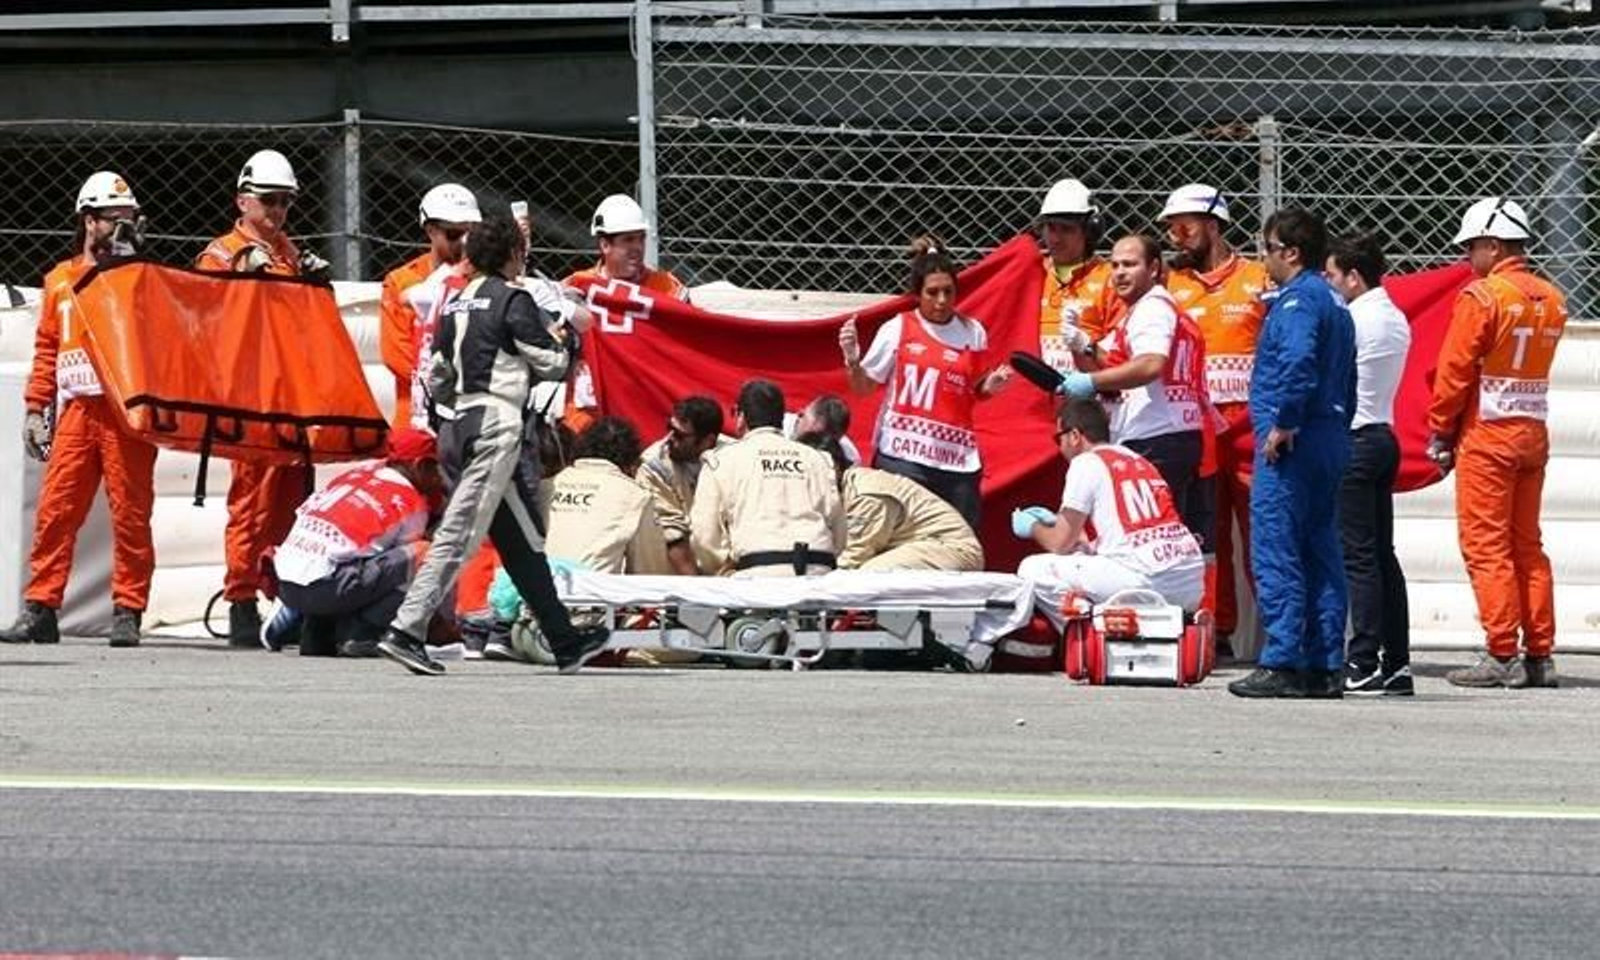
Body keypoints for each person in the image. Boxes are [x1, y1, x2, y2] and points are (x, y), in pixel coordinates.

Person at [374, 213, 609, 676]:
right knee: (460, 531)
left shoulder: (453, 303)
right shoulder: (514, 300)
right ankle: (406, 629)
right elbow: (553, 362)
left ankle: (564, 641)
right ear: (511, 254)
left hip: (457, 425)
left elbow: (436, 379)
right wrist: (564, 334)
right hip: (496, 426)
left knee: (521, 542)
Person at [0, 172, 158, 648]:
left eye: (130, 219)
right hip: (76, 413)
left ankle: (128, 610)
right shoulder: (60, 281)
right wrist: (35, 408)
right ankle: (41, 609)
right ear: (89, 221)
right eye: (116, 219)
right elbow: (48, 348)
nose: (123, 227)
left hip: (126, 413)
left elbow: (157, 333)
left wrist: (134, 265)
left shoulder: (140, 279)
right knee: (56, 512)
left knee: (131, 514)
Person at [1431, 198, 1567, 690]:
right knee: (1528, 544)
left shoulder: (1482, 297)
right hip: (1532, 432)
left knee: (1487, 546)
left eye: (1471, 248)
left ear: (1493, 244)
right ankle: (1540, 655)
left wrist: (1440, 427)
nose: (1468, 258)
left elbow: (1454, 371)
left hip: (1487, 437)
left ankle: (1501, 651)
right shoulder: (1552, 296)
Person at [195, 148, 320, 648]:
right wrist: (246, 277)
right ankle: (242, 601)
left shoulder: (291, 255)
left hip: (292, 396)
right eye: (269, 201)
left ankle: (293, 599)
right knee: (249, 504)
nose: (277, 212)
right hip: (247, 397)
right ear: (242, 201)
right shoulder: (220, 254)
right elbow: (208, 321)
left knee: (296, 503)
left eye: (286, 203)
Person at [1228, 208, 1355, 700]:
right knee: (1322, 549)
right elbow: (1348, 373)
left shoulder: (1298, 302)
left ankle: (1282, 659)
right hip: (1330, 435)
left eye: (1270, 249)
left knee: (1278, 548)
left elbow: (1299, 362)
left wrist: (1285, 421)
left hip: (1295, 441)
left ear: (1292, 252)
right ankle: (1325, 664)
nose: (1265, 258)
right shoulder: (1337, 302)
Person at [1160, 183, 1271, 655]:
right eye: (1169, 228)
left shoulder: (1260, 278)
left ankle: (1277, 632)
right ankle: (1217, 630)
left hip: (1250, 426)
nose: (1175, 236)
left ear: (1213, 223)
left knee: (1259, 528)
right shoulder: (1169, 284)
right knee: (1203, 532)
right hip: (1195, 426)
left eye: (1183, 226)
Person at [838, 236, 1013, 530]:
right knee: (895, 537)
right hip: (902, 456)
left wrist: (990, 387)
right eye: (932, 292)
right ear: (918, 293)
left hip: (957, 462)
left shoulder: (973, 333)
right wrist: (852, 360)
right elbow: (863, 387)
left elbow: (973, 391)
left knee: (959, 542)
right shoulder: (898, 328)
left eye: (948, 291)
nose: (941, 301)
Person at [1059, 234, 1210, 551]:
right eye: (1114, 265)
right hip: (1172, 434)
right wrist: (1081, 344)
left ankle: (1155, 599)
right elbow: (1109, 363)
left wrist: (1091, 384)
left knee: (1146, 539)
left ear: (1154, 268)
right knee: (1164, 536)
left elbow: (1150, 364)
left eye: (1130, 264)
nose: (1119, 273)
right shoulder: (1150, 309)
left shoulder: (1152, 308)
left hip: (1155, 437)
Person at [1013, 398, 1204, 630]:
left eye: (1059, 438)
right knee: (1084, 554)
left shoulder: (1085, 462)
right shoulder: (1138, 459)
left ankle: (1089, 628)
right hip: (1190, 583)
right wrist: (1071, 534)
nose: (1060, 446)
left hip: (1145, 581)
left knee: (1032, 568)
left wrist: (1032, 527)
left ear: (1074, 435)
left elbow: (1059, 543)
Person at [1324, 231, 1413, 696]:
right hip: (1384, 434)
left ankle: (1361, 663)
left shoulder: (1352, 318)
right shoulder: (1394, 315)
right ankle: (1397, 664)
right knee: (1383, 557)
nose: (1329, 283)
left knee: (1357, 558)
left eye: (1333, 275)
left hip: (1355, 439)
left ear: (1354, 278)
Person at [271, 427, 445, 658]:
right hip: (326, 588)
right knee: (426, 555)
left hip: (285, 583)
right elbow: (400, 575)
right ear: (421, 466)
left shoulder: (353, 476)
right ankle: (363, 632)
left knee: (351, 556)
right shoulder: (410, 503)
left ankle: (318, 629)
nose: (440, 479)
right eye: (437, 469)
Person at [690, 379, 846, 577]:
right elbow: (839, 531)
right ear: (780, 418)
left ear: (740, 416)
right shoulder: (817, 459)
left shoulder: (721, 461)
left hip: (755, 573)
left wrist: (723, 569)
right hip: (818, 570)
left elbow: (704, 537)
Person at [562, 194, 691, 431]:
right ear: (604, 244)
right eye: (628, 240)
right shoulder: (576, 287)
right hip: (588, 414)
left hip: (648, 408)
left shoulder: (667, 288)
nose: (637, 248)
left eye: (641, 239)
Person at [379, 183, 481, 429]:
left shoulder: (484, 279)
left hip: (470, 411)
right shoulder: (401, 281)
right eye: (454, 234)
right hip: (417, 415)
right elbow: (396, 354)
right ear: (430, 230)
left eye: (472, 233)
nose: (465, 243)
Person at [804, 435, 982, 572]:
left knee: (862, 576)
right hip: (915, 546)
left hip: (951, 549)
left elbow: (852, 558)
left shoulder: (866, 494)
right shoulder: (836, 491)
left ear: (833, 466)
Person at [544, 416, 671, 575]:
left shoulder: (546, 486)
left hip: (524, 591)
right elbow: (649, 574)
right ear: (631, 462)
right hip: (586, 595)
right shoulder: (636, 496)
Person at [1035, 178, 1121, 373]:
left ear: (1090, 231)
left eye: (1066, 229)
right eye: (1050, 228)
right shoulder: (1033, 273)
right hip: (1035, 395)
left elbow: (1121, 354)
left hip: (1090, 394)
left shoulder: (1111, 278)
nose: (1055, 238)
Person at [636, 395, 728, 575]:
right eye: (669, 428)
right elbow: (672, 534)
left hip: (729, 566)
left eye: (679, 434)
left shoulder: (734, 455)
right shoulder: (654, 466)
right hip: (682, 572)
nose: (669, 438)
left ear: (707, 441)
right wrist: (700, 593)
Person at [785, 392, 861, 465]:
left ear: (839, 438)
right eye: (811, 436)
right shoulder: (777, 431)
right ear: (801, 414)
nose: (815, 443)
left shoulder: (849, 457)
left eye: (825, 439)